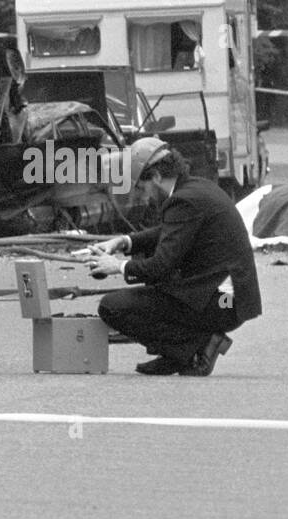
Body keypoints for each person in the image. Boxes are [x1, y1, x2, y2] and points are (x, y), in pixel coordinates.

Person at [82, 137, 261, 376]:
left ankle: (195, 346)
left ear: (155, 177)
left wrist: (118, 266)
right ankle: (180, 355)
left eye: (141, 186)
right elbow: (169, 231)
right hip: (229, 301)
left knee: (112, 307)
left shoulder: (183, 200)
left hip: (222, 304)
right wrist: (124, 242)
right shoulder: (197, 188)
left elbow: (160, 266)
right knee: (153, 292)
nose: (143, 195)